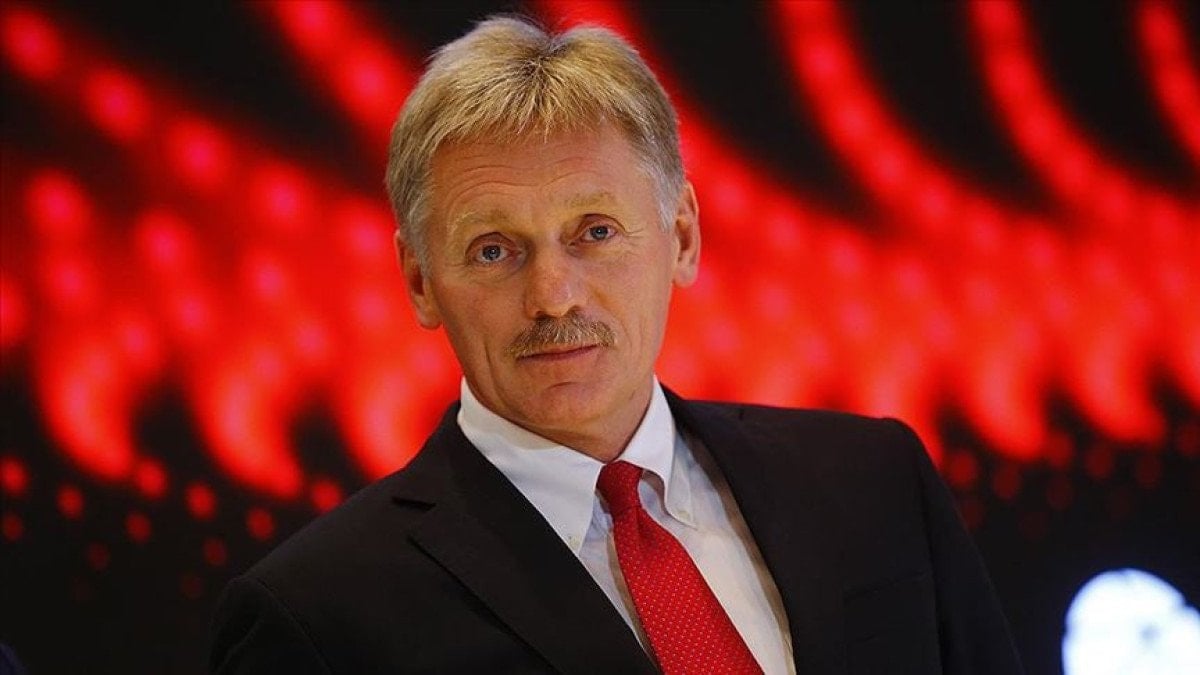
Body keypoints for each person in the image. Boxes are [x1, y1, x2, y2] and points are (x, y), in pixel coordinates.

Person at [210, 15, 1023, 675]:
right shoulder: (316, 616)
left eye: (595, 232)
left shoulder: (874, 482)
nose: (553, 295)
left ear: (682, 236)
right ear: (420, 280)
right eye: (494, 249)